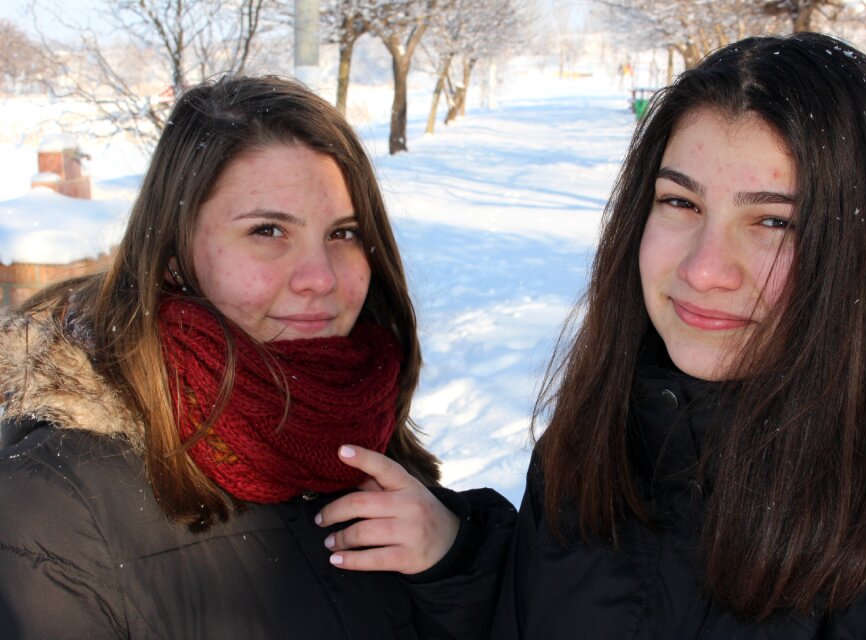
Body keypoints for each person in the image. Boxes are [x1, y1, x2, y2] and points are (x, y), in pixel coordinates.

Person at [0, 75, 514, 639]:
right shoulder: (52, 507)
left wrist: (457, 562)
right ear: (173, 256)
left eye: (343, 233)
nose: (321, 278)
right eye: (268, 230)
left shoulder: (355, 413)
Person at [493, 32, 866, 639]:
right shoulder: (590, 447)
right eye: (681, 203)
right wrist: (456, 566)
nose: (703, 270)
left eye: (773, 220)